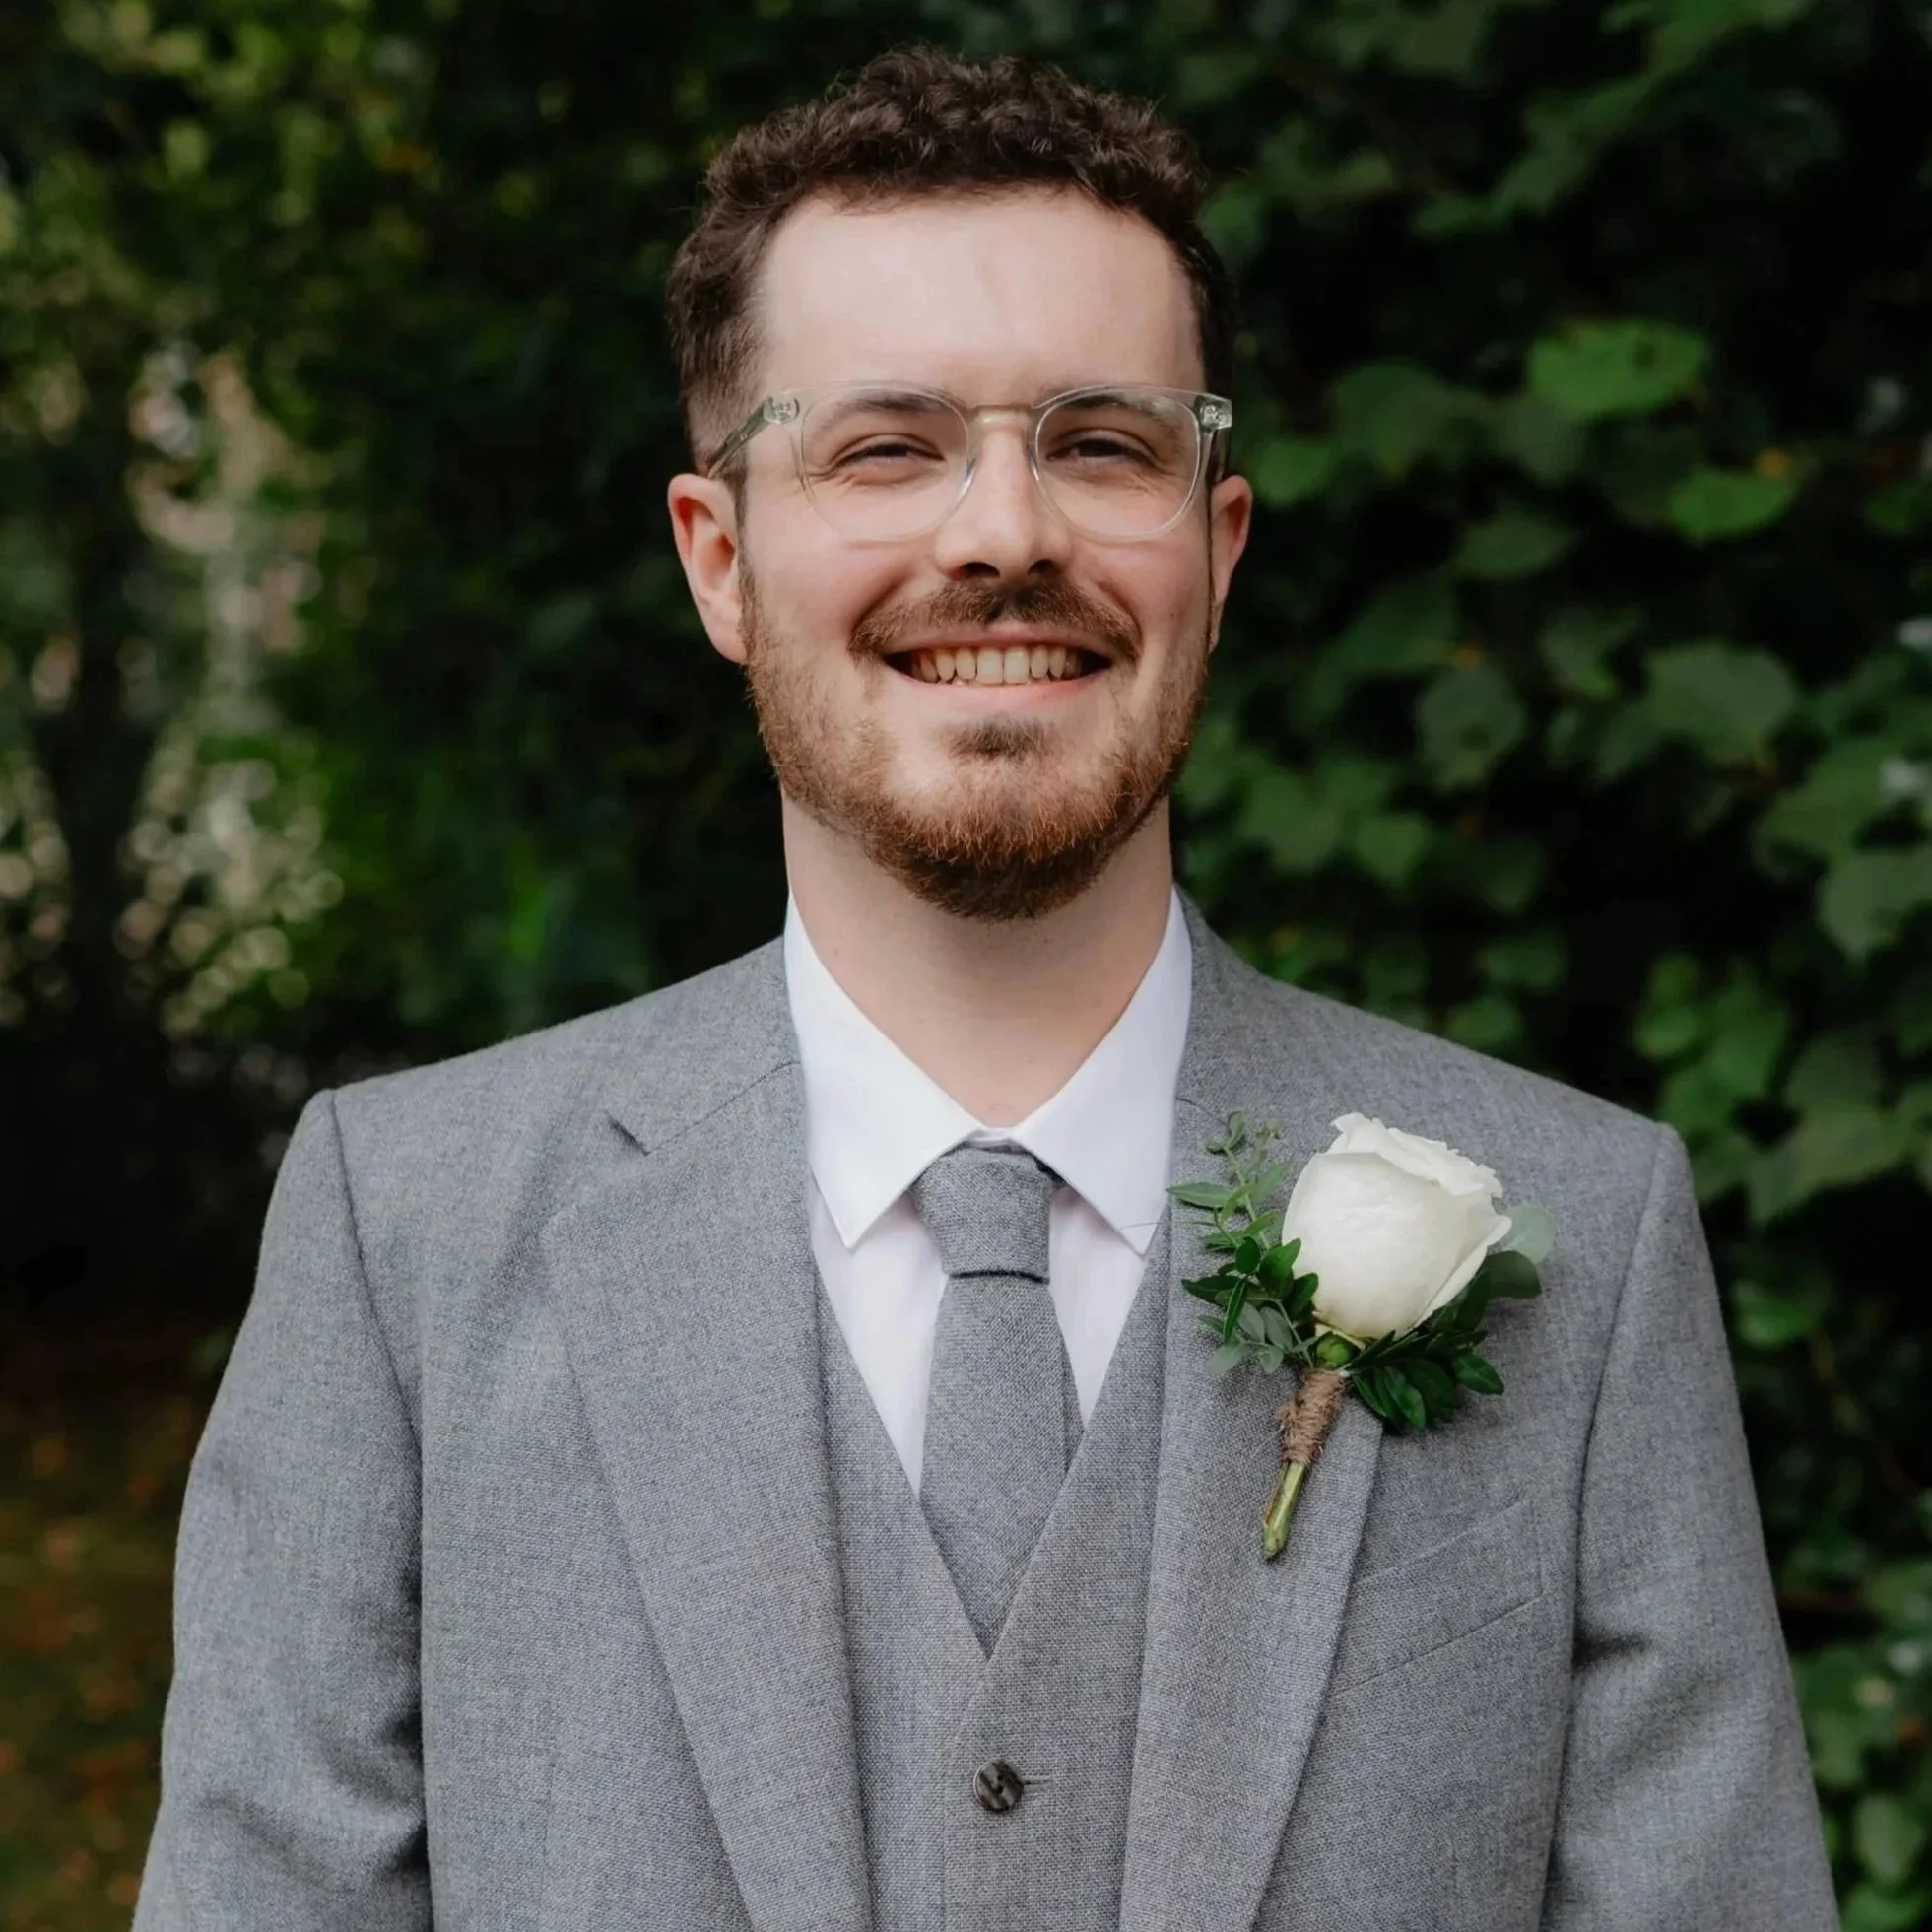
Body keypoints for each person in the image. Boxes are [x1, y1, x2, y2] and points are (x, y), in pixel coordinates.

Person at [134, 45, 1837, 1932]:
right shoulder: (410, 1240)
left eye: (1104, 446)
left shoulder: (1585, 1239)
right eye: (887, 447)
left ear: (1217, 547)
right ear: (719, 559)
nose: (1006, 534)